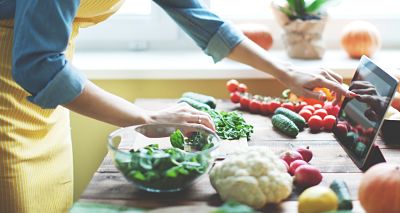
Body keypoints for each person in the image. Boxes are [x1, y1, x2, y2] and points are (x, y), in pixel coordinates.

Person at [0, 0, 354, 212]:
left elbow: (198, 17)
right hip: (9, 96)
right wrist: (146, 118)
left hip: (46, 98)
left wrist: (287, 72)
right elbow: (36, 64)